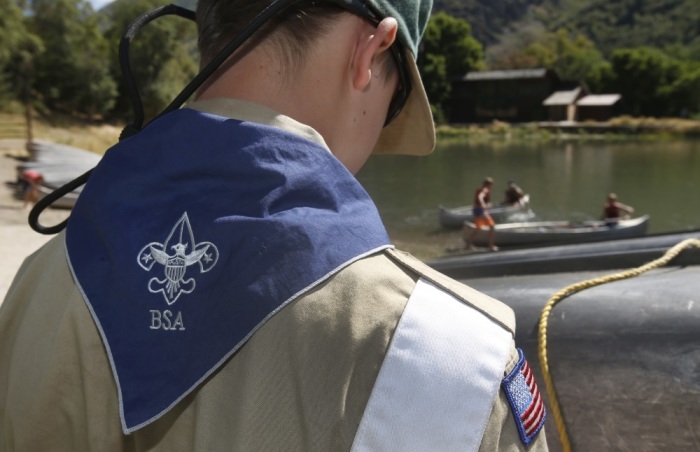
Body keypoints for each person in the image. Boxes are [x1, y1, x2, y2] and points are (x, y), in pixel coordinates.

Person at [0, 1, 547, 450]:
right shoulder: (460, 360)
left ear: (209, 33)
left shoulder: (33, 284)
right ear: (372, 48)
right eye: (398, 96)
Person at [464, 177, 499, 252]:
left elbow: (480, 197)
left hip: (476, 210)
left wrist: (487, 204)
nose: (491, 186)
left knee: (478, 228)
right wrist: (483, 204)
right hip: (480, 210)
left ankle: (468, 245)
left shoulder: (480, 189)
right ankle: (491, 246)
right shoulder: (485, 189)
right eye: (491, 185)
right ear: (488, 184)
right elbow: (480, 197)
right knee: (492, 226)